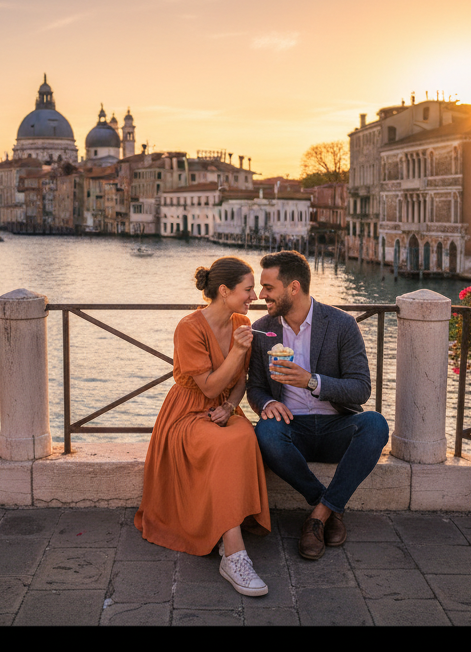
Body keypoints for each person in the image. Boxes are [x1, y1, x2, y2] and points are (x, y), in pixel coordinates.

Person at [135, 257, 271, 596]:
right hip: (187, 413)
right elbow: (209, 386)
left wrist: (229, 406)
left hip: (223, 409)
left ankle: (228, 541)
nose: (254, 295)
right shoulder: (189, 327)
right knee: (223, 445)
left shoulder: (241, 320)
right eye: (248, 289)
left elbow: (239, 381)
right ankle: (235, 554)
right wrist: (238, 351)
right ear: (224, 291)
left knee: (243, 436)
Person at [247, 250, 389, 561]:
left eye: (268, 287)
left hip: (336, 428)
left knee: (376, 425)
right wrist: (268, 402)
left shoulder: (341, 324)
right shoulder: (263, 330)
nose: (261, 294)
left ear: (293, 288)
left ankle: (319, 516)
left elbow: (361, 389)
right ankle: (329, 508)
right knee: (265, 432)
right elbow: (254, 387)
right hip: (290, 429)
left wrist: (312, 381)